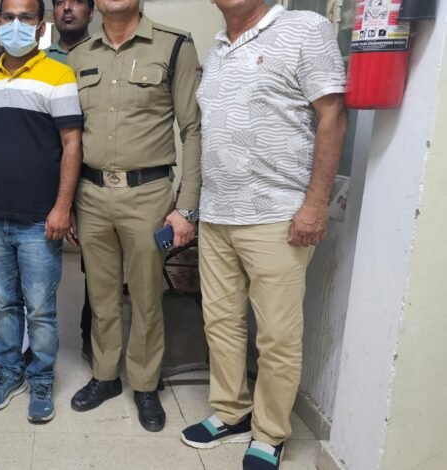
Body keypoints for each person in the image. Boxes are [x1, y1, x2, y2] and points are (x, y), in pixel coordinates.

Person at [179, 1, 347, 469]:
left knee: (276, 335)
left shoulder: (304, 28)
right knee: (221, 322)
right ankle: (231, 411)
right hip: (217, 213)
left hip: (277, 215)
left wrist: (315, 204)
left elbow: (333, 116)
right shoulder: (217, 48)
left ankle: (270, 432)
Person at [68, 0, 202, 433]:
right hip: (91, 193)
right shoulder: (79, 55)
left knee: (145, 296)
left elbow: (192, 129)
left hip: (148, 194)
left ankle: (144, 383)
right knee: (101, 295)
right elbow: (69, 136)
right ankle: (106, 375)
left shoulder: (174, 45)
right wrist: (67, 202)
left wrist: (187, 206)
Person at [0, 0, 82, 423]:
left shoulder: (59, 74)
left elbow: (71, 143)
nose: (15, 24)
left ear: (40, 26)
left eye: (26, 17)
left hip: (41, 217)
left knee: (39, 308)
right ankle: (9, 372)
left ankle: (41, 377)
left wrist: (62, 207)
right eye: (8, 17)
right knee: (3, 303)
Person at [49, 0, 94, 365]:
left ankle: (92, 340)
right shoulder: (40, 60)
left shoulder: (102, 53)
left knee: (97, 272)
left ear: (91, 11)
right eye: (59, 3)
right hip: (51, 176)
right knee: (37, 269)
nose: (67, 9)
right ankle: (35, 343)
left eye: (76, 2)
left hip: (95, 179)